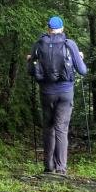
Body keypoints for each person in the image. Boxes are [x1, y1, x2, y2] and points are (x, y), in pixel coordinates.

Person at [27, 15, 87, 175]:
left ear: (48, 29)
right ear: (62, 29)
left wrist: (30, 59)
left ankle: (48, 166)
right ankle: (61, 169)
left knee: (48, 128)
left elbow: (30, 70)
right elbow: (83, 71)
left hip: (46, 92)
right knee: (61, 128)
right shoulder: (70, 44)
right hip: (65, 92)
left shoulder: (39, 44)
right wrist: (80, 57)